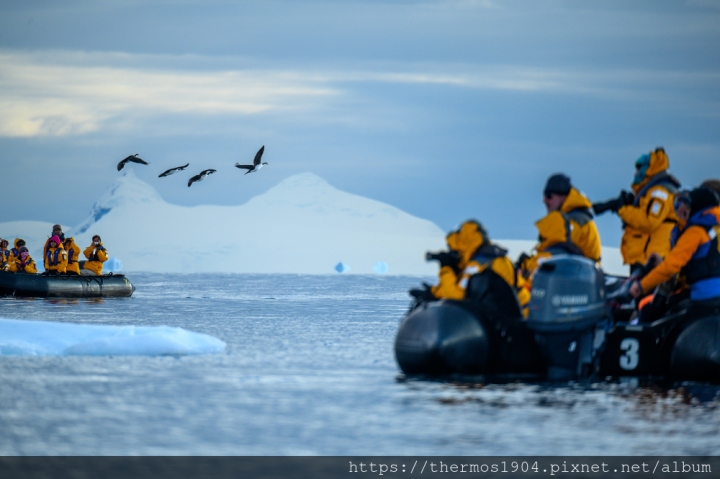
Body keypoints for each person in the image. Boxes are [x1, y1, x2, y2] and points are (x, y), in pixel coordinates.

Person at [630, 187, 720, 318]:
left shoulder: (695, 232)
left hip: (704, 296)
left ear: (697, 206)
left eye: (687, 206)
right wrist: (662, 261)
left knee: (649, 310)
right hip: (713, 298)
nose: (680, 210)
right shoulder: (715, 229)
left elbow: (671, 267)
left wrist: (641, 286)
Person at [593, 147, 681, 274]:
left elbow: (649, 221)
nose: (635, 174)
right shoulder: (650, 192)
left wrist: (623, 210)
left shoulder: (660, 192)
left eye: (639, 169)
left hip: (653, 260)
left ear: (648, 169)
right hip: (646, 258)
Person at [423, 220, 530, 311]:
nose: (454, 254)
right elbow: (464, 289)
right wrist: (434, 292)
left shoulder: (479, 265)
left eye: (455, 251)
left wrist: (446, 267)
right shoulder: (491, 258)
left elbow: (456, 295)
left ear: (463, 244)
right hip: (514, 315)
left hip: (510, 323)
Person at [518, 173, 601, 279]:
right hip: (582, 279)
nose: (544, 200)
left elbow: (552, 258)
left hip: (572, 283)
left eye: (549, 196)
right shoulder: (578, 218)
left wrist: (525, 267)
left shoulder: (571, 223)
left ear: (563, 197)